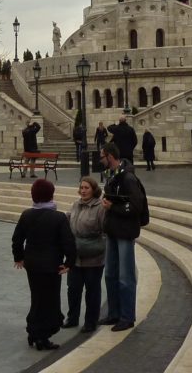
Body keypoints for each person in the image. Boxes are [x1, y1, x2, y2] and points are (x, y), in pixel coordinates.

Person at [12, 179, 76, 351]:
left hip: (32, 264)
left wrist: (19, 257)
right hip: (51, 265)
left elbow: (17, 239)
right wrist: (69, 262)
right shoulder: (58, 217)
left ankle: (33, 331)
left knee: (37, 297)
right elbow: (68, 242)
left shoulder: (27, 215)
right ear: (51, 195)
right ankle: (42, 337)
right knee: (50, 300)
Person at [99, 142, 146, 332]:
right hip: (112, 230)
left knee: (125, 275)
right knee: (110, 273)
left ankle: (127, 316)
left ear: (110, 156)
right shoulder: (111, 177)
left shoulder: (128, 178)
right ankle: (114, 313)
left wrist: (113, 207)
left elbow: (137, 206)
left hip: (125, 232)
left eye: (102, 156)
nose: (100, 160)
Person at [64, 176, 106, 333]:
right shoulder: (76, 204)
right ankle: (72, 318)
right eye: (81, 188)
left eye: (86, 188)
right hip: (76, 256)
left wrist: (98, 244)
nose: (83, 191)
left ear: (94, 190)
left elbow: (105, 230)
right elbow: (68, 221)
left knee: (92, 291)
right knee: (73, 288)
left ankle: (90, 322)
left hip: (93, 256)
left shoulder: (100, 207)